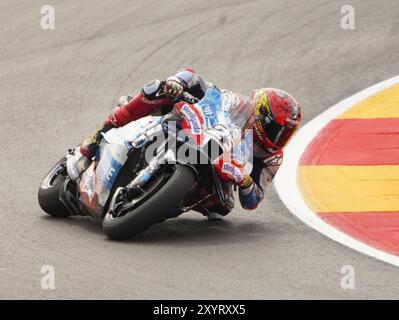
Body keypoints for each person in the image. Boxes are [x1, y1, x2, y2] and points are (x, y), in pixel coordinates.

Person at [76, 68, 301, 217]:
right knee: (157, 88)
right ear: (260, 115)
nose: (279, 138)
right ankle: (99, 134)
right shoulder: (236, 104)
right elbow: (197, 82)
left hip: (219, 166)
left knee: (221, 209)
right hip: (198, 132)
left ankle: (164, 201)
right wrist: (177, 82)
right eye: (277, 130)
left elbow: (252, 201)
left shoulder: (272, 156)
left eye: (286, 134)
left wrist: (243, 180)